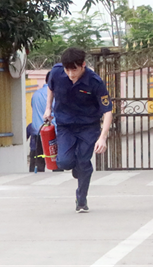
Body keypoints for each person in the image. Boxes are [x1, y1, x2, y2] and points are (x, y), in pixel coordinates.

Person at [43, 47, 112, 213]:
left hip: (88, 126)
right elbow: (51, 87)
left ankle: (81, 200)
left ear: (83, 65)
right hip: (65, 125)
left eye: (74, 70)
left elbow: (107, 110)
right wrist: (48, 108)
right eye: (67, 70)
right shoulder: (56, 72)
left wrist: (103, 137)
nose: (70, 74)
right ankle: (79, 168)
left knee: (82, 161)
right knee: (63, 162)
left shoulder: (95, 82)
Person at [29, 82, 51, 172]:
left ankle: (37, 173)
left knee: (38, 156)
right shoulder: (56, 94)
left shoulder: (35, 94)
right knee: (55, 156)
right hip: (53, 131)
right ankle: (57, 173)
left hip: (38, 130)